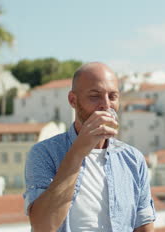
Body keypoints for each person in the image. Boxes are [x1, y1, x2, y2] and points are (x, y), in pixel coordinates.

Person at [23, 62, 156, 232]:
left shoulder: (133, 159)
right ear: (73, 100)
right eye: (95, 96)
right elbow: (42, 226)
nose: (106, 105)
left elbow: (144, 226)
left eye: (113, 96)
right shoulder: (44, 153)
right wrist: (78, 151)